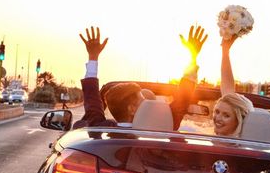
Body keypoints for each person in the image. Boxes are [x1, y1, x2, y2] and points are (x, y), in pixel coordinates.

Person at [73, 25, 206, 129]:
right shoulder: (164, 126)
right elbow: (183, 98)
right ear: (132, 109)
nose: (149, 104)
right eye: (143, 100)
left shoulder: (100, 128)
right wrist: (193, 56)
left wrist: (93, 57)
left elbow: (92, 100)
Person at [212, 33, 254, 137]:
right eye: (217, 112)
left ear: (239, 121)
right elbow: (227, 88)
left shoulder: (241, 150)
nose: (218, 118)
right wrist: (225, 51)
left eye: (226, 115)